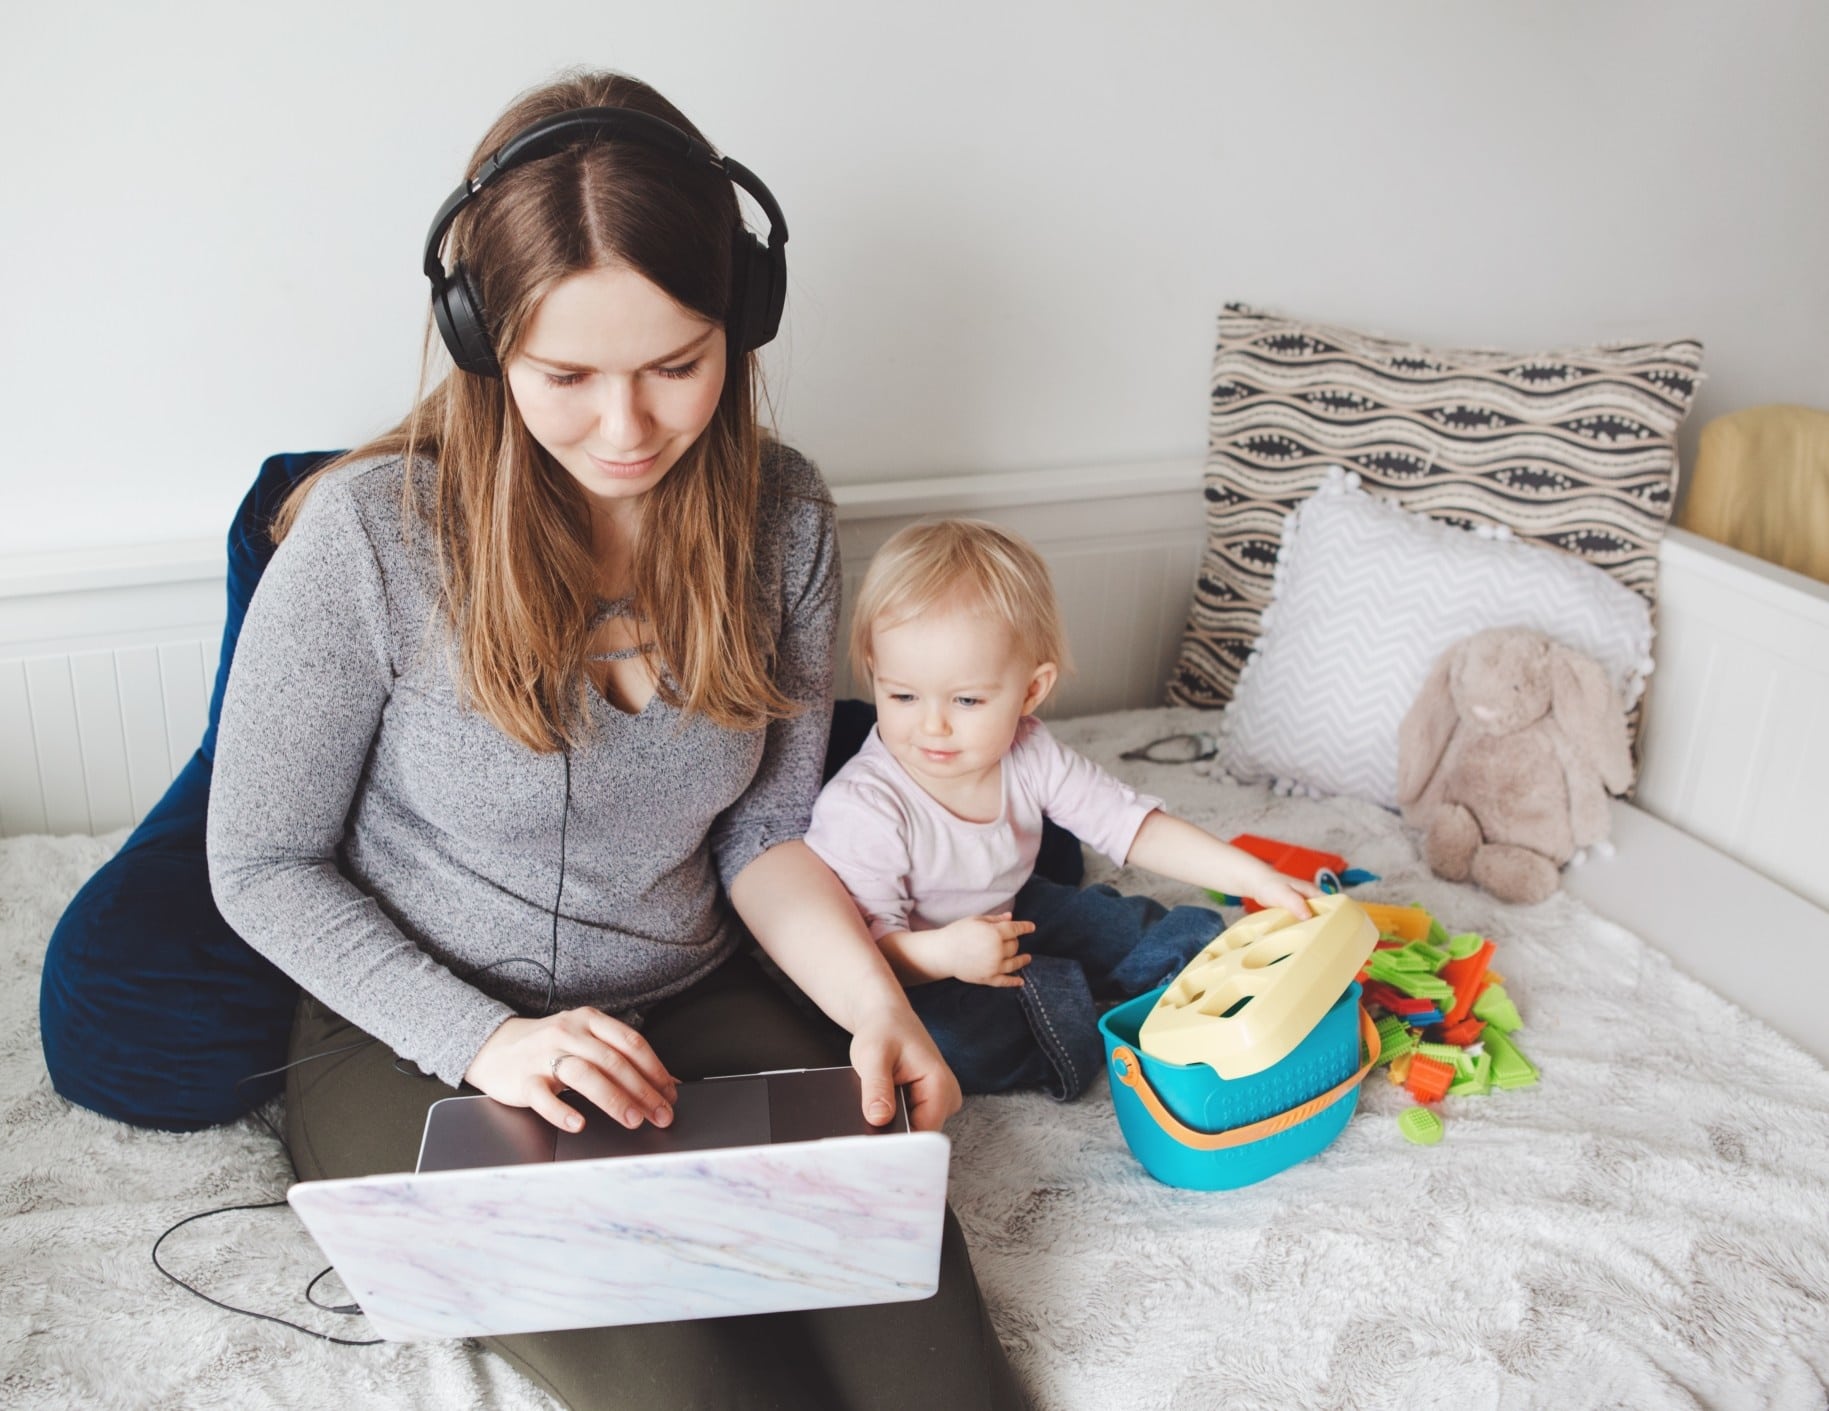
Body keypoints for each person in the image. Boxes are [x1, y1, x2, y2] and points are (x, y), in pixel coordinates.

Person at [203, 72, 1022, 1410]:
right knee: (702, 1387)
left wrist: (876, 1005)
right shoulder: (364, 537)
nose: (627, 428)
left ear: (738, 329)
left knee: (936, 1377)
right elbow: (261, 861)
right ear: (482, 340)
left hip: (696, 992)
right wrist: (489, 1041)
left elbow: (766, 829)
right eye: (567, 376)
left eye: (676, 366)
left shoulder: (787, 519)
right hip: (423, 1031)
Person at [804, 519, 1317, 1102]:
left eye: (967, 700)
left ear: (1030, 691)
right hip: (917, 964)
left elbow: (1131, 825)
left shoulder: (1029, 751)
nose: (932, 725)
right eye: (902, 696)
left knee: (1134, 926)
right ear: (873, 671)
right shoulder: (865, 808)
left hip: (1014, 905)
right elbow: (860, 958)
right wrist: (944, 954)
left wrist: (1252, 875)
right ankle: (1073, 1008)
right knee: (958, 1045)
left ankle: (1211, 982)